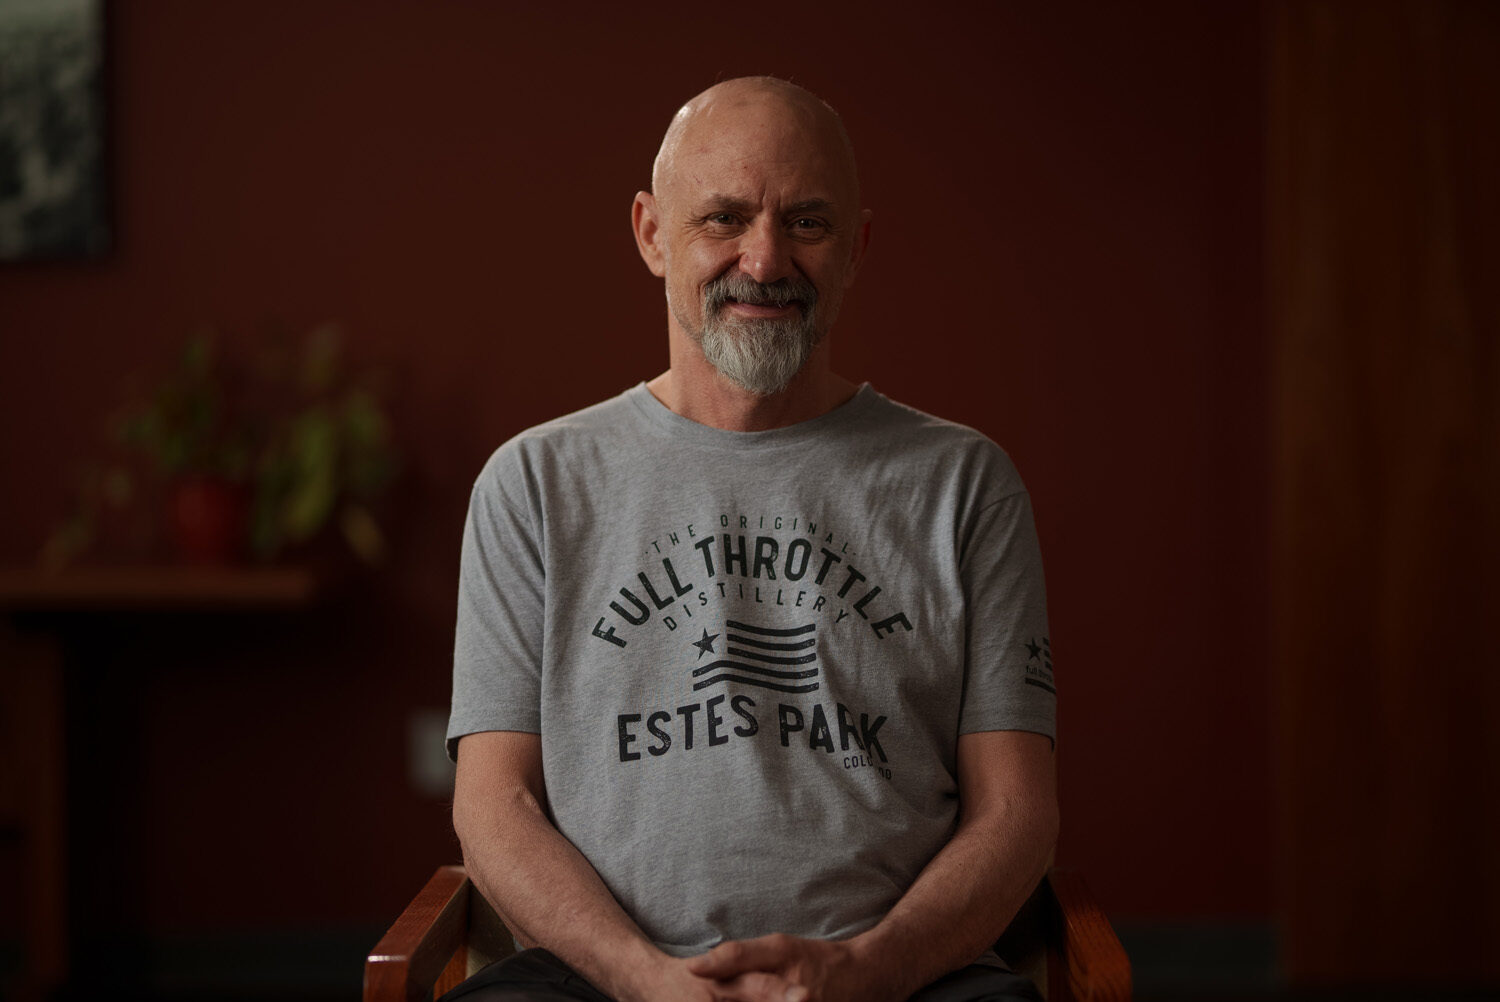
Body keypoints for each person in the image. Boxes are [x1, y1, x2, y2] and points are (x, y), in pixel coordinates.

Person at [446, 76, 1059, 1002]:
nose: (765, 261)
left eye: (806, 222)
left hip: (900, 981)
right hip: (601, 984)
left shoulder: (965, 485)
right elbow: (496, 805)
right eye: (724, 218)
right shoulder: (533, 486)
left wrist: (869, 970)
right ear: (654, 234)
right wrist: (649, 982)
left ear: (856, 247)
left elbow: (1017, 811)